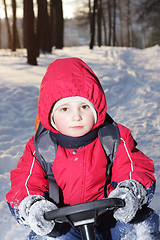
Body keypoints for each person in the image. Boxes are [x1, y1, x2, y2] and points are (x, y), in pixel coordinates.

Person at [6, 58, 159, 240]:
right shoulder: (40, 147)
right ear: (50, 114)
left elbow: (134, 168)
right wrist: (33, 206)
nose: (76, 116)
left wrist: (130, 192)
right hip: (63, 224)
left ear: (97, 108)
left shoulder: (113, 137)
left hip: (111, 218)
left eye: (84, 107)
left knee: (144, 225)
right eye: (65, 109)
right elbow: (25, 183)